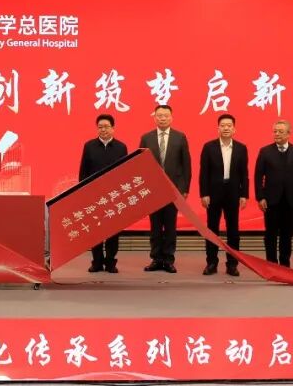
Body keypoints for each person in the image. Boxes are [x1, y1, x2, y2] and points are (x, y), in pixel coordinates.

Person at [140, 105, 191, 274]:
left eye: (166, 115)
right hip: (152, 190)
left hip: (173, 190)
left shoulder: (180, 137)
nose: (162, 118)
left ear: (171, 117)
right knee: (155, 227)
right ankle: (156, 258)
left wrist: (184, 189)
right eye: (159, 115)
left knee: (170, 226)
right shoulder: (146, 138)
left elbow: (186, 165)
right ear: (154, 118)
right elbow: (140, 166)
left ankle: (168, 259)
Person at [254, 120, 293, 267]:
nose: (277, 134)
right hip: (270, 200)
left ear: (289, 134)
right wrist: (260, 197)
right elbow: (258, 176)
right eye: (275, 131)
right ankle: (271, 263)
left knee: (287, 233)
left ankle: (285, 264)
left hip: (291, 200)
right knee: (270, 234)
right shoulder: (265, 151)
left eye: (280, 131)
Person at [199, 113, 248, 277]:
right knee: (212, 229)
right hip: (213, 193)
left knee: (233, 230)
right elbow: (204, 173)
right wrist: (204, 193)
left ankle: (232, 264)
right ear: (218, 128)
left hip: (233, 193)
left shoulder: (241, 148)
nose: (226, 128)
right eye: (223, 125)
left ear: (234, 129)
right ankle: (211, 263)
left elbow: (244, 174)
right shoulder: (209, 147)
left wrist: (244, 195)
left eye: (229, 125)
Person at [79, 114, 128, 273]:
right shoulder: (89, 146)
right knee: (95, 231)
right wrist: (82, 192)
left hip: (114, 196)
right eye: (100, 127)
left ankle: (111, 262)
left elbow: (125, 172)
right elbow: (83, 171)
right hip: (94, 196)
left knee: (113, 230)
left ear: (113, 128)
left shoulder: (121, 147)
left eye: (106, 127)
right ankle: (97, 262)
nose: (103, 130)